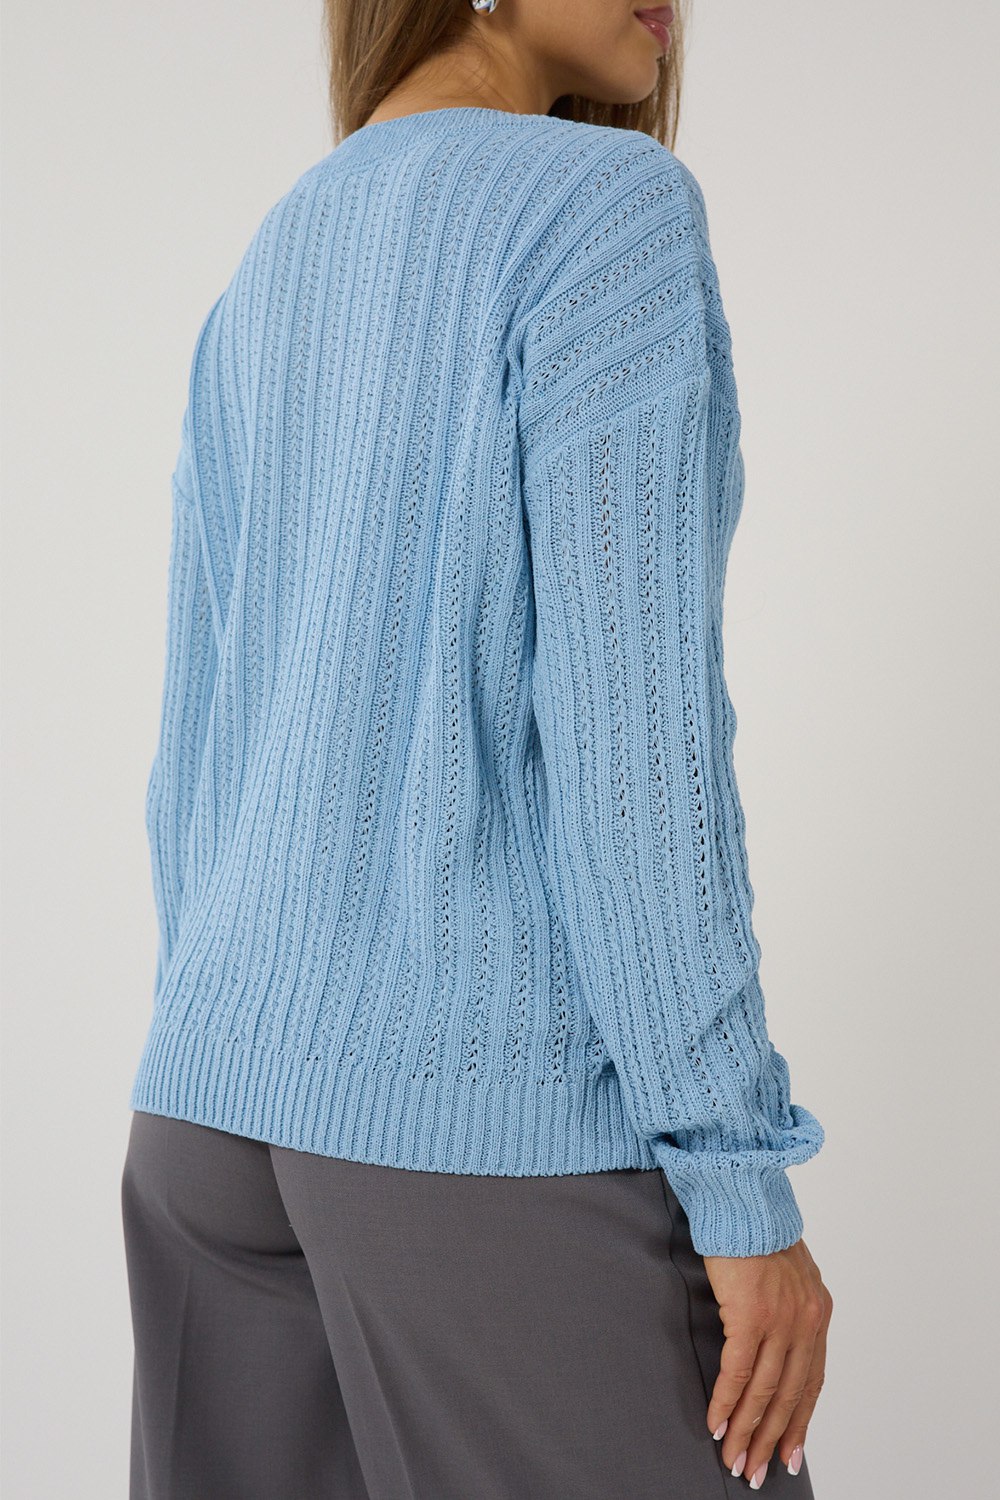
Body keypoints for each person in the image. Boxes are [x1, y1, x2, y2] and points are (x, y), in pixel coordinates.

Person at [121, 2, 833, 1495]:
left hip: (207, 1116)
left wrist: (234, 1025)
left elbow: (200, 742)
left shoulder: (279, 248)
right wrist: (735, 1168)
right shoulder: (606, 210)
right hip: (472, 1133)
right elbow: (635, 752)